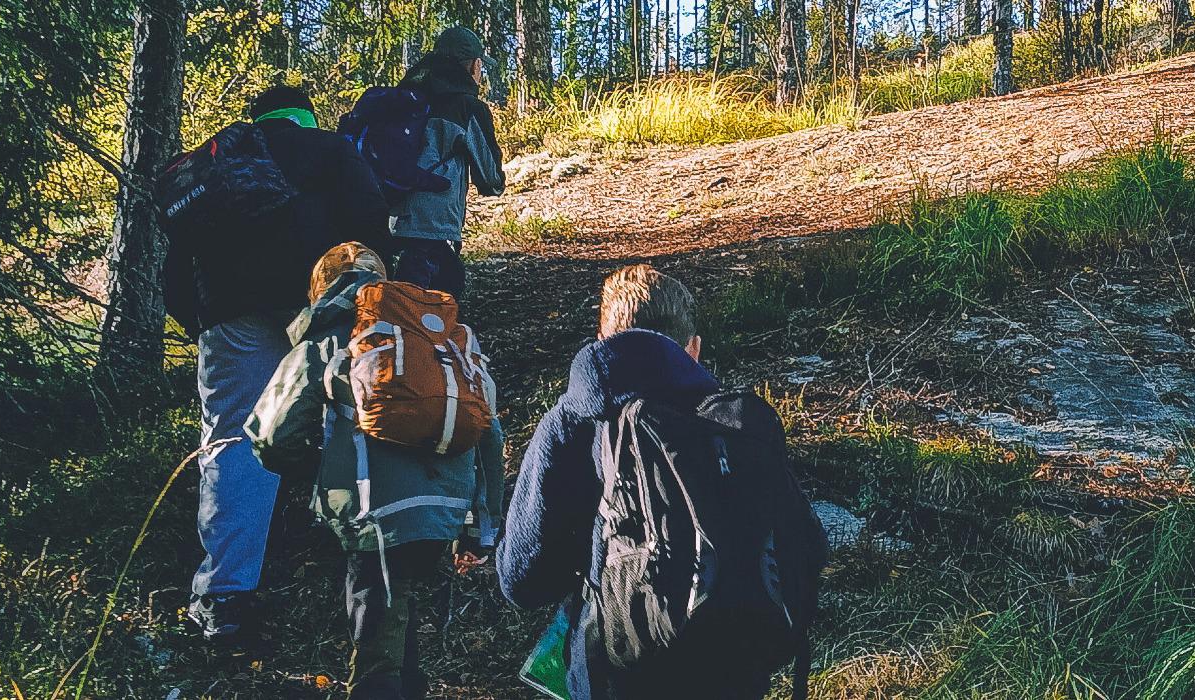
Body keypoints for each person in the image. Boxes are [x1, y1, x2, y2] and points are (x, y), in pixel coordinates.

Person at [497, 265, 821, 699]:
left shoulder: (573, 422)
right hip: (732, 665)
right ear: (694, 349)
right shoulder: (729, 423)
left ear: (601, 342)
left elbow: (521, 578)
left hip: (617, 671)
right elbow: (807, 544)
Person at [164, 84, 393, 647]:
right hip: (320, 304)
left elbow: (175, 270)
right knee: (350, 418)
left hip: (229, 315)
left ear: (256, 119)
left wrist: (202, 324)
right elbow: (372, 226)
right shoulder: (331, 149)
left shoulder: (217, 165)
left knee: (230, 439)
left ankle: (223, 598)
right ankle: (366, 559)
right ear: (305, 116)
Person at [245, 242, 506, 699]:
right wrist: (482, 524)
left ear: (320, 287)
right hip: (446, 505)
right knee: (395, 608)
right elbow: (489, 432)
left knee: (375, 629)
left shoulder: (327, 340)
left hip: (374, 511)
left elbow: (271, 436)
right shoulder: (440, 338)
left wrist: (317, 470)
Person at [388, 26, 506, 298]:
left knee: (401, 303)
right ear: (472, 66)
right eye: (479, 65)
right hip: (434, 227)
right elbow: (492, 181)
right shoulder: (466, 107)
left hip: (390, 219)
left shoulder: (404, 97)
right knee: (435, 308)